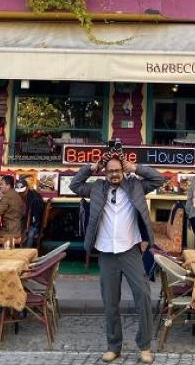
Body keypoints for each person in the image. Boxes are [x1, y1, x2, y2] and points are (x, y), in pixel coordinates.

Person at [71, 154, 164, 364]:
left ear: (123, 171)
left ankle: (145, 346)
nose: (114, 174)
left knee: (143, 296)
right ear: (105, 173)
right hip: (106, 252)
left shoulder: (136, 186)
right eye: (110, 171)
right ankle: (114, 347)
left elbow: (159, 179)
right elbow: (74, 185)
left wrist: (136, 167)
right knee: (110, 302)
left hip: (130, 250)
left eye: (118, 170)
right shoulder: (97, 188)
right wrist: (91, 167)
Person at [0, 174, 24, 243]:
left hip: (10, 232)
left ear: (8, 186)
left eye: (2, 184)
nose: (0, 186)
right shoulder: (16, 194)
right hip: (16, 229)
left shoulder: (7, 197)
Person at [16, 176, 45, 248]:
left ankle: (26, 252)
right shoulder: (22, 197)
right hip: (26, 221)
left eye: (22, 191)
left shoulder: (34, 199)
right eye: (19, 192)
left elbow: (36, 219)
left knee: (30, 234)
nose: (20, 193)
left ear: (27, 188)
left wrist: (28, 227)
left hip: (34, 224)